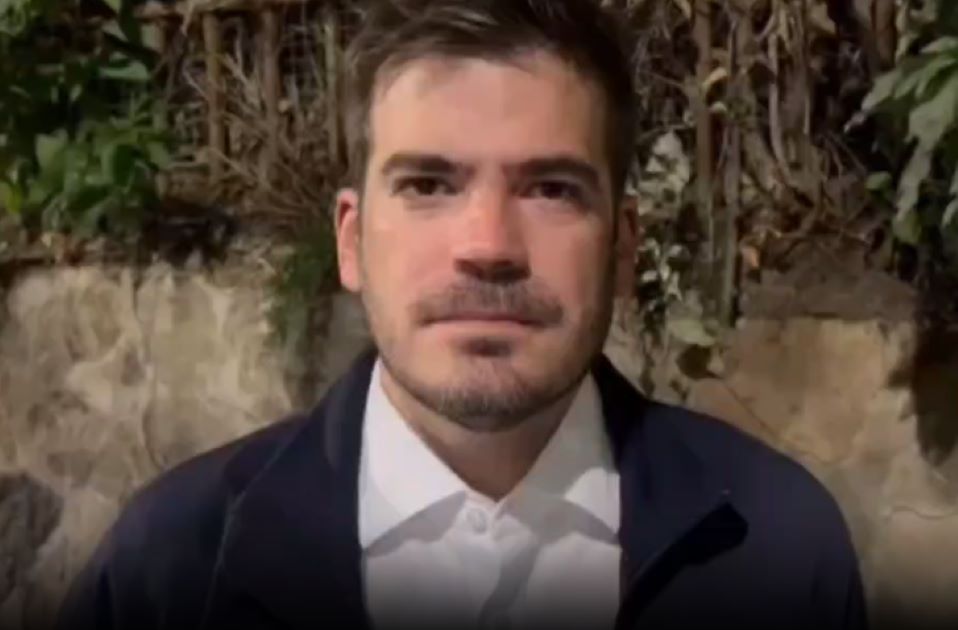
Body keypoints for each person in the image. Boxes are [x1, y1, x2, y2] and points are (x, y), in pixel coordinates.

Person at [57, 1, 867, 629]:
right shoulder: (170, 566)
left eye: (551, 189)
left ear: (623, 247)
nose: (488, 246)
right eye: (428, 185)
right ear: (351, 241)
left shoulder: (779, 548)